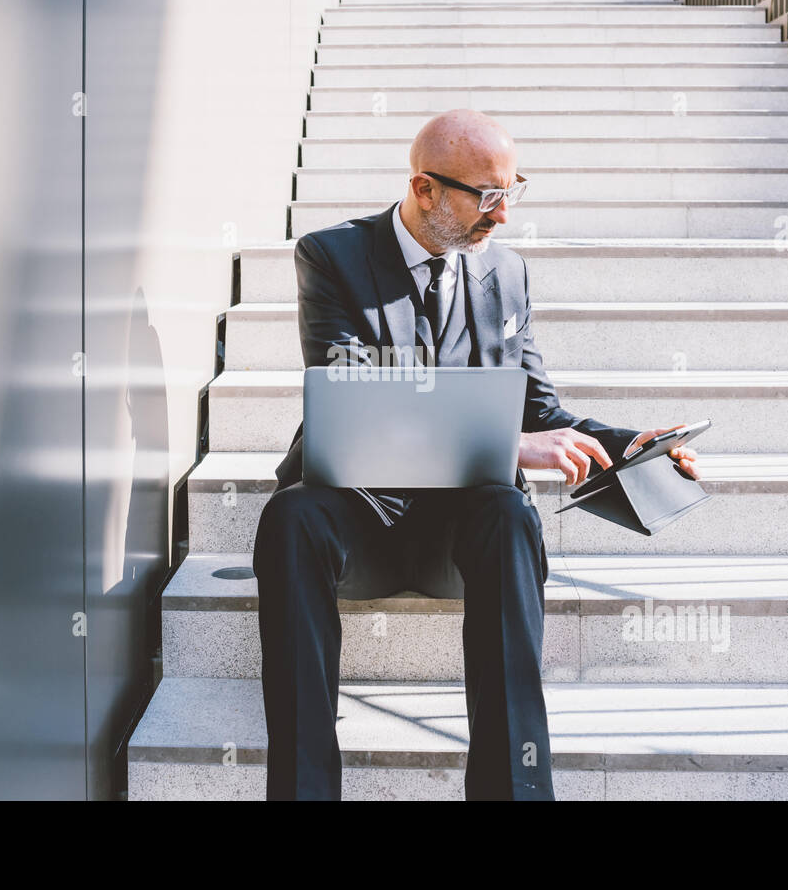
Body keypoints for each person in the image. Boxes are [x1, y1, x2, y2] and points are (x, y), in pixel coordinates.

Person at [253, 109, 700, 800]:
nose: (501, 216)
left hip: (461, 525)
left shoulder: (507, 273)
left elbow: (539, 409)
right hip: (359, 512)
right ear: (423, 188)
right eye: (486, 197)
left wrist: (628, 444)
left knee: (511, 515)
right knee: (289, 518)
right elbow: (356, 395)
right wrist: (514, 444)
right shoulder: (331, 256)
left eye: (511, 192)